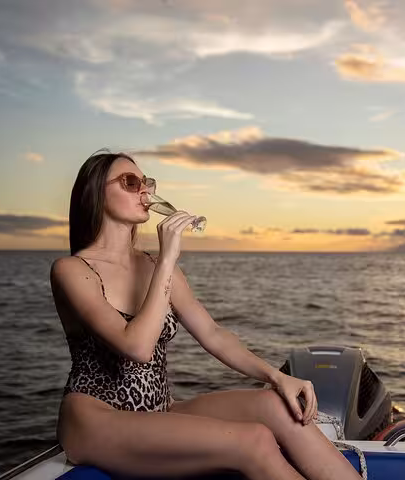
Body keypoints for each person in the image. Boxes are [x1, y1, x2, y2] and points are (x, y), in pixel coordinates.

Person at [50, 150, 362, 480]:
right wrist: (168, 256)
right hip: (96, 419)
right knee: (254, 441)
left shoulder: (153, 266)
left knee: (277, 407)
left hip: (159, 409)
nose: (145, 191)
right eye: (130, 182)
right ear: (95, 192)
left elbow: (212, 334)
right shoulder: (73, 270)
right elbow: (137, 348)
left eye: (147, 182)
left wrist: (276, 376)